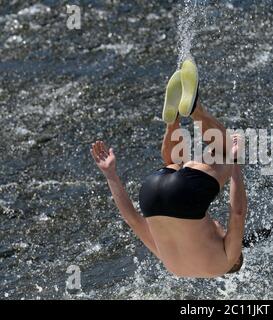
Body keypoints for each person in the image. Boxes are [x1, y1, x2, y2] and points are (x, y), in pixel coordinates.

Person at [90, 60, 247, 278]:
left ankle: (195, 111)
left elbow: (237, 214)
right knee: (172, 164)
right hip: (151, 194)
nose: (220, 224)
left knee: (225, 151)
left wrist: (236, 162)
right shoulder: (173, 265)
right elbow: (133, 219)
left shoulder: (227, 259)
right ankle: (172, 120)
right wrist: (110, 174)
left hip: (184, 197)